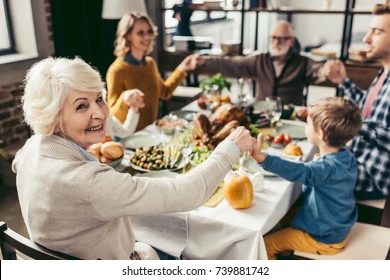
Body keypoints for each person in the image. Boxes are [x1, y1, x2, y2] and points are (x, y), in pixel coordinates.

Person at [12, 56, 255, 260]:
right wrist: (229, 148)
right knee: (199, 249)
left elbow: (17, 164)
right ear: (53, 119)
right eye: (81, 106)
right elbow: (188, 193)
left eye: (98, 99)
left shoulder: (31, 148)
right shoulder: (89, 183)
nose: (99, 113)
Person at [250, 97, 362, 260]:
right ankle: (288, 247)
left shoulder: (326, 168)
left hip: (323, 237)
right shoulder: (345, 156)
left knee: (265, 245)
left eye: (308, 124)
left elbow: (300, 172)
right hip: (336, 223)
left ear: (320, 134)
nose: (306, 127)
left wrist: (262, 158)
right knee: (275, 218)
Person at [323, 3, 390, 200]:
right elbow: (367, 110)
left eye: (376, 32)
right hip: (355, 160)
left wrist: (343, 119)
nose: (366, 38)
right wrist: (343, 81)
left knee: (300, 176)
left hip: (372, 178)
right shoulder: (385, 72)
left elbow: (366, 122)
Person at [195, 20, 326, 105]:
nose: (276, 43)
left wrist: (326, 70)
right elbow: (231, 64)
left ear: (291, 41)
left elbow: (318, 69)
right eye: (273, 38)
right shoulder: (260, 59)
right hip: (261, 115)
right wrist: (203, 61)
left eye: (281, 39)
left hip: (290, 116)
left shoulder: (302, 62)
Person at [106, 11, 199, 131]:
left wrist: (183, 68)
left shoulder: (150, 64)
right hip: (128, 138)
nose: (147, 37)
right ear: (128, 36)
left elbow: (165, 92)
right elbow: (112, 114)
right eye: (141, 33)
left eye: (149, 32)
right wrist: (125, 99)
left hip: (151, 133)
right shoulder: (117, 70)